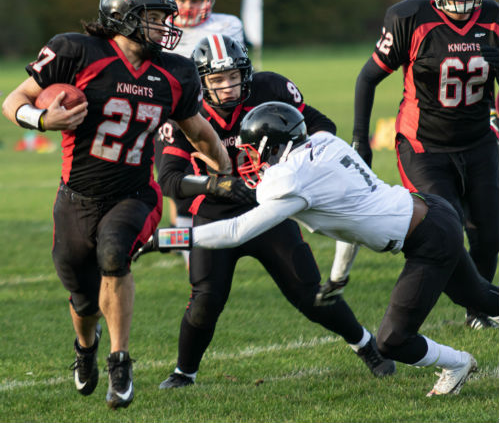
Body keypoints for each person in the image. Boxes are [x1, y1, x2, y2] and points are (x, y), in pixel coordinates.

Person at [137, 101, 499, 397]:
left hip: (427, 241)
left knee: (391, 341)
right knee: (480, 297)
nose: (249, 159)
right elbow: (349, 216)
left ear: (271, 146)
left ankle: (457, 361)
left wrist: (161, 239)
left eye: (251, 151)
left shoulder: (288, 179)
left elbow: (235, 231)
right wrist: (339, 275)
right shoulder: (325, 144)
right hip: (433, 214)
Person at [1, 0, 229, 409]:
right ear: (123, 17)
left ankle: (119, 361)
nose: (165, 26)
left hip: (135, 192)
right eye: (154, 17)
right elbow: (12, 101)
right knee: (83, 298)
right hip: (76, 197)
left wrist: (225, 170)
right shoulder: (76, 52)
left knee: (114, 255)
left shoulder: (174, 71)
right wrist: (43, 121)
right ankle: (85, 348)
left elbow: (198, 132)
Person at [148, 33, 396, 389]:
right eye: (217, 80)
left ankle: (365, 344)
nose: (228, 87)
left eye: (234, 76)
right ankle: (184, 372)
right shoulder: (182, 113)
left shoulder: (269, 90)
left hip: (269, 208)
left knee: (309, 293)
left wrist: (292, 167)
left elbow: (321, 126)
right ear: (201, 82)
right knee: (205, 300)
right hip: (216, 212)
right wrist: (215, 184)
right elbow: (170, 180)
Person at [345, 0, 499, 329]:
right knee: (444, 232)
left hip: (478, 141)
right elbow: (368, 77)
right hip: (424, 145)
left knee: (489, 233)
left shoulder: (493, 17)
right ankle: (454, 304)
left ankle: (477, 312)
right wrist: (359, 140)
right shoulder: (411, 18)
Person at [155, 0, 245, 267]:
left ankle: (218, 240)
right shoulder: (159, 27)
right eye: (182, 0)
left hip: (213, 114)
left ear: (208, 0)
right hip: (171, 117)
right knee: (176, 183)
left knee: (228, 177)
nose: (190, 6)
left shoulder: (227, 24)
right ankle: (188, 252)